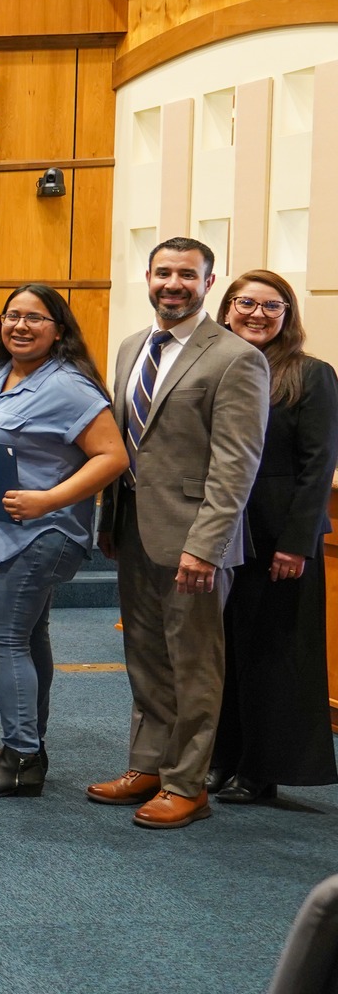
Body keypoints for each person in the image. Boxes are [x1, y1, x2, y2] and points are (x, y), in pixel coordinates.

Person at [90, 237, 268, 829]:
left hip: (195, 539)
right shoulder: (132, 346)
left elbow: (236, 462)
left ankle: (188, 782)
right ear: (147, 276)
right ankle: (148, 765)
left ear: (208, 284)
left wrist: (206, 545)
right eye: (163, 272)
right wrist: (109, 518)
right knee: (144, 655)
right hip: (133, 529)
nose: (173, 284)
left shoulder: (237, 357)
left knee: (193, 663)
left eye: (186, 276)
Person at [0, 285, 127, 797]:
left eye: (35, 318)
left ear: (59, 329)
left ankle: (22, 760)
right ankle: (22, 747)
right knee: (29, 638)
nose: (21, 326)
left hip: (41, 532)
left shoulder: (70, 386)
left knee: (6, 640)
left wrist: (47, 499)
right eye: (12, 316)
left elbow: (112, 457)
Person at [209, 270, 338, 804]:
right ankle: (226, 757)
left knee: (273, 656)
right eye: (246, 303)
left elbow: (319, 465)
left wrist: (296, 542)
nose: (257, 314)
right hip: (220, 531)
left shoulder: (311, 375)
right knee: (224, 652)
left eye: (272, 306)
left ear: (288, 315)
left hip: (278, 538)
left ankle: (263, 767)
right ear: (227, 309)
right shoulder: (213, 367)